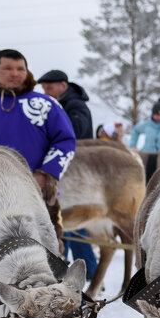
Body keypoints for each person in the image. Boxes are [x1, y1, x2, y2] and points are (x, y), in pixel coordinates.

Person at [0, 49, 77, 246]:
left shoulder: (46, 104)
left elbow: (66, 141)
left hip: (34, 195)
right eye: (7, 68)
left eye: (20, 68)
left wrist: (45, 175)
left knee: (42, 259)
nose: (15, 73)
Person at [37, 68, 97, 280]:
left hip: (76, 170)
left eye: (49, 87)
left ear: (63, 85)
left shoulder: (74, 106)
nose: (46, 92)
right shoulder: (64, 104)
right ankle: (75, 268)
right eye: (43, 88)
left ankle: (89, 269)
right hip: (69, 170)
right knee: (66, 220)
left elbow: (75, 135)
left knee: (70, 220)